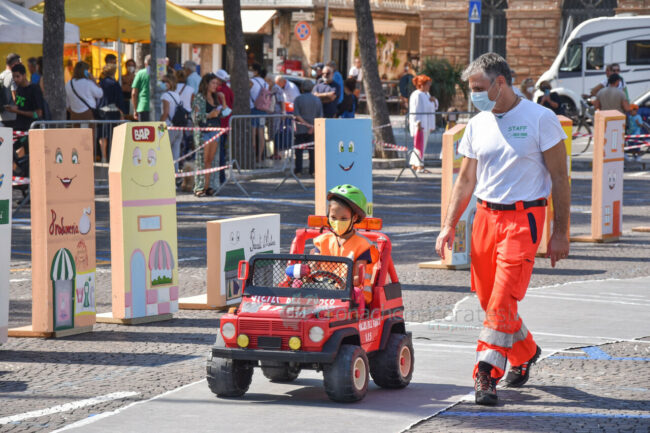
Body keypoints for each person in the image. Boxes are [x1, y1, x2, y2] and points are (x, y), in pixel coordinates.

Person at [435, 53, 570, 407]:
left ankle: (486, 372)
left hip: (523, 221)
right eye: (471, 89)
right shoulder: (478, 124)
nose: (473, 95)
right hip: (484, 218)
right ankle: (525, 350)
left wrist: (560, 232)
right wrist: (449, 225)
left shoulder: (542, 119)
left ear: (500, 82)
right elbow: (465, 179)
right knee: (487, 298)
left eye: (478, 88)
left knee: (502, 299)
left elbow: (560, 177)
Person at [312, 185, 378, 305]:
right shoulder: (321, 241)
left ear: (354, 218)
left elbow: (358, 279)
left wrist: (340, 284)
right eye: (333, 217)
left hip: (353, 296)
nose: (337, 222)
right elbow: (313, 268)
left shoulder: (363, 245)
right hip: (323, 291)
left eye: (343, 219)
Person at [191, 73, 222, 197]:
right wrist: (209, 115)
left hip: (215, 130)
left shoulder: (216, 98)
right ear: (206, 84)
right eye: (213, 83)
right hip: (203, 131)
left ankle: (209, 186)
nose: (215, 86)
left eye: (216, 83)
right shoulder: (199, 97)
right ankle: (200, 187)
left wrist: (223, 102)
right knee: (202, 161)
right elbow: (195, 116)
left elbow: (224, 113)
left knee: (212, 160)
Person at [408, 74, 438, 173]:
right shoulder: (417, 95)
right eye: (428, 84)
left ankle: (414, 164)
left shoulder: (427, 94)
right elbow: (414, 110)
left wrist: (434, 101)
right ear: (422, 85)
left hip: (427, 124)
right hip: (420, 125)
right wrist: (418, 123)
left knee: (420, 145)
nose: (429, 86)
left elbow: (434, 107)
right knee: (420, 145)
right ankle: (420, 165)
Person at [293, 80, 322, 176]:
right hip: (313, 129)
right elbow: (320, 116)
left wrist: (306, 124)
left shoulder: (298, 99)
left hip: (300, 129)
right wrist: (312, 127)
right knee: (313, 151)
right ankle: (313, 170)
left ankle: (298, 171)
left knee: (299, 151)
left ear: (302, 88)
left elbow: (297, 115)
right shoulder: (317, 100)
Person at [4, 63, 44, 132]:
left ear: (24, 75)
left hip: (31, 129)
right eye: (13, 77)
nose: (15, 79)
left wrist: (17, 111)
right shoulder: (19, 88)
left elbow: (37, 114)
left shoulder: (34, 89)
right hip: (19, 128)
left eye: (17, 76)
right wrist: (11, 108)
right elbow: (19, 106)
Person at [98, 63, 125, 162]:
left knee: (103, 135)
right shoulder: (114, 83)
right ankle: (113, 157)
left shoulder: (101, 82)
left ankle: (103, 157)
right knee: (114, 135)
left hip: (102, 111)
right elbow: (119, 100)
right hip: (113, 111)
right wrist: (122, 113)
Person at [213, 69, 233, 187]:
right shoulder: (229, 90)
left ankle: (220, 176)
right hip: (225, 124)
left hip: (218, 124)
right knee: (221, 151)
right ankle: (221, 176)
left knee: (218, 152)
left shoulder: (218, 91)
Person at [160, 74, 183, 171]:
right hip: (178, 127)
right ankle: (175, 175)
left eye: (164, 81)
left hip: (168, 126)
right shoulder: (177, 94)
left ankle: (166, 175)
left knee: (164, 152)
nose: (161, 84)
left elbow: (166, 113)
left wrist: (159, 127)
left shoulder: (165, 95)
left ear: (169, 83)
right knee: (175, 154)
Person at [249, 63, 268, 164]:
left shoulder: (251, 82)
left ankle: (252, 155)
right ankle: (260, 157)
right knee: (261, 134)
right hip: (263, 110)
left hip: (253, 109)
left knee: (253, 134)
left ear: (256, 71)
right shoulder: (266, 83)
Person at [0, 53, 21, 128]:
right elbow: (15, 96)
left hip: (2, 116)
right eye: (20, 63)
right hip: (13, 116)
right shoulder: (13, 76)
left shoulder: (1, 75)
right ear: (15, 64)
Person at [131, 55, 151, 121]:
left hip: (143, 107)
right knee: (159, 131)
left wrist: (135, 109)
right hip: (159, 108)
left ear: (145, 63)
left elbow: (134, 93)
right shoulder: (160, 74)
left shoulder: (140, 73)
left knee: (145, 130)